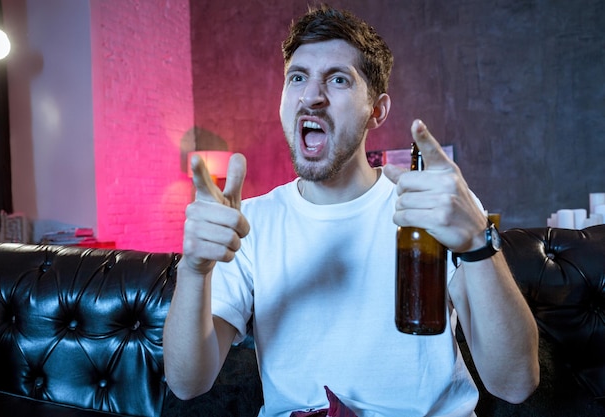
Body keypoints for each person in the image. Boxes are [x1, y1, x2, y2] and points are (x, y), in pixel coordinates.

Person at [163, 5, 539, 416]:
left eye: (338, 79)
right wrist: (194, 270)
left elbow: (516, 383)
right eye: (297, 77)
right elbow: (187, 383)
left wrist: (478, 244)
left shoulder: (436, 207)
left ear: (376, 111)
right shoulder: (248, 223)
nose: (311, 96)